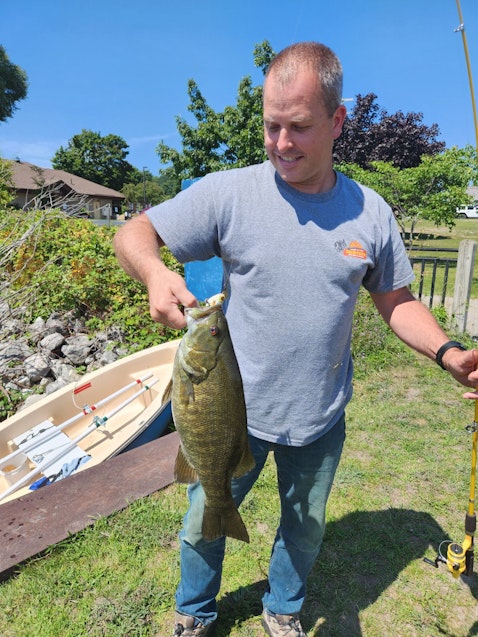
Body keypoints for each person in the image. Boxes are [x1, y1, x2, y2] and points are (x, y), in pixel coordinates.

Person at [114, 42, 478, 637]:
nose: (281, 143)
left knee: (304, 526)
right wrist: (155, 273)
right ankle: (194, 612)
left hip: (319, 414)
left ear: (337, 121)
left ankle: (282, 609)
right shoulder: (229, 194)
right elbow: (136, 231)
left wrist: (447, 352)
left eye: (300, 127)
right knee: (204, 515)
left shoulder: (371, 213)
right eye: (271, 126)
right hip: (231, 412)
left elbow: (397, 301)